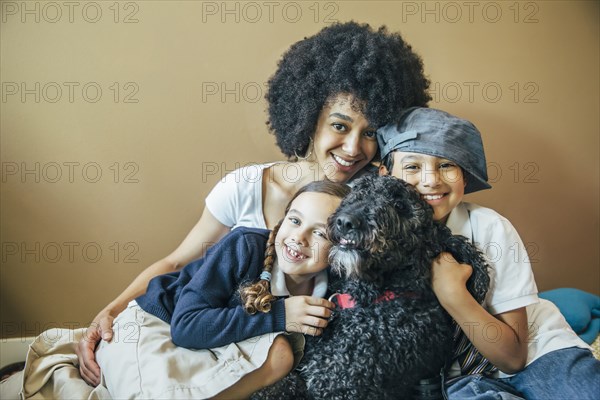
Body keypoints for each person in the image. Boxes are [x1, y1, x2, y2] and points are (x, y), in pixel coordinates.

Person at [76, 21, 431, 386]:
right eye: (340, 126)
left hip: (273, 353)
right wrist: (109, 311)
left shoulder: (371, 204)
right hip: (208, 324)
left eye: (370, 133)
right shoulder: (247, 187)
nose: (354, 148)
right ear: (309, 119)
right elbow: (178, 262)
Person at [377, 107, 600, 399]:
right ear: (385, 175)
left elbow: (513, 357)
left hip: (533, 353)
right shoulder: (374, 238)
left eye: (446, 165)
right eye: (412, 167)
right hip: (452, 378)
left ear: (465, 177)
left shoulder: (491, 228)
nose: (431, 180)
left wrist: (453, 294)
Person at [94, 180, 348, 399]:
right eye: (294, 220)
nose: (299, 237)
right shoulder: (244, 246)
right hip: (160, 320)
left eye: (320, 234)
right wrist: (280, 314)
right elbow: (185, 326)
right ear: (282, 220)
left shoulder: (334, 289)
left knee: (281, 354)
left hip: (215, 340)